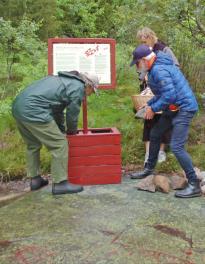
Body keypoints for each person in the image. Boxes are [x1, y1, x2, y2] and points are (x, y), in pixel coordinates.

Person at [129, 44, 201, 198]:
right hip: (173, 106)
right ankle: (149, 169)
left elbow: (170, 96)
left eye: (137, 63)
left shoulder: (158, 70)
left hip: (184, 108)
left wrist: (153, 109)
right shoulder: (156, 66)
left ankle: (194, 184)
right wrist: (149, 104)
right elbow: (163, 94)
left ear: (143, 60)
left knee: (177, 146)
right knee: (155, 133)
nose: (137, 66)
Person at [12, 71, 99, 195]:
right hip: (34, 110)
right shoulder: (78, 87)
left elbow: (57, 111)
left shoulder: (63, 81)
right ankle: (60, 183)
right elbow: (72, 114)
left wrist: (61, 130)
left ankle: (35, 180)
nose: (90, 95)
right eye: (92, 92)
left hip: (19, 107)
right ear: (89, 86)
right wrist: (70, 132)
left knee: (33, 145)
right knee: (60, 144)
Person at [136, 27, 179, 164]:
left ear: (150, 37)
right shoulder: (144, 50)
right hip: (149, 90)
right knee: (148, 117)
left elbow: (175, 67)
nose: (143, 44)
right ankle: (149, 153)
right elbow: (141, 68)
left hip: (165, 89)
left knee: (164, 119)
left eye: (144, 41)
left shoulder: (164, 50)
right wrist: (143, 76)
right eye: (141, 42)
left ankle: (160, 152)